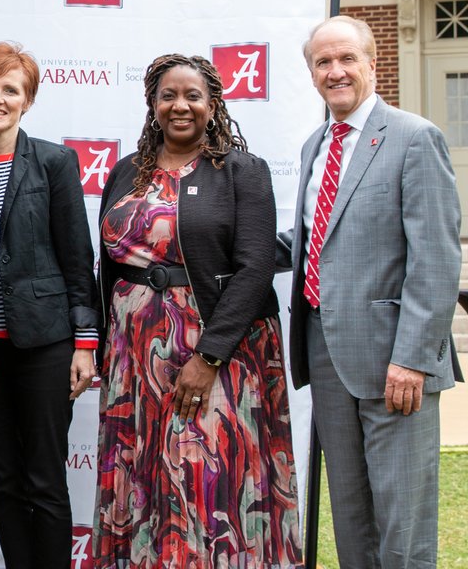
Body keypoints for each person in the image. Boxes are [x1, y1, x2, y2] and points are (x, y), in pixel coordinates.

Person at [94, 54, 301, 568]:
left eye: (192, 96)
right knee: (140, 475)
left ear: (213, 105)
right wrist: (101, 343)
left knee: (206, 478)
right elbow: (108, 265)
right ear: (153, 104)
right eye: (168, 96)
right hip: (134, 356)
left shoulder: (240, 171)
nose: (179, 106)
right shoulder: (126, 172)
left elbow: (254, 268)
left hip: (214, 350)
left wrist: (208, 359)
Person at [280, 16, 460, 569]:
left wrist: (411, 358)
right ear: (311, 74)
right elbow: (313, 239)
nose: (335, 72)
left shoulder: (414, 136)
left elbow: (435, 257)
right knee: (352, 518)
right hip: (328, 356)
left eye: (346, 59)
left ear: (371, 64)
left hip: (394, 362)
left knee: (402, 525)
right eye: (322, 63)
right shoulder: (316, 145)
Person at [0, 43, 100, 569]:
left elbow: (78, 257)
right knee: (4, 481)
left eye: (11, 89)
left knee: (45, 479)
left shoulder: (54, 162)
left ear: (28, 101)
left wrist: (85, 342)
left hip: (44, 344)